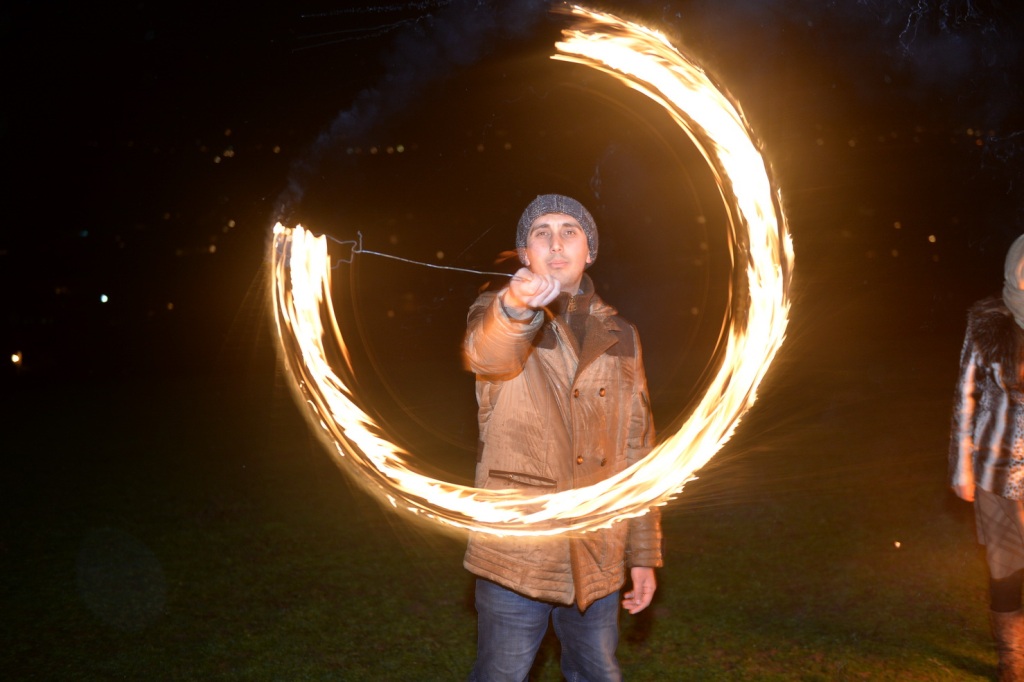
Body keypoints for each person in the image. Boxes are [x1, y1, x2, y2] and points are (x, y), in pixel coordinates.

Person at [462, 194, 663, 681]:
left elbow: (638, 450)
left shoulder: (622, 334)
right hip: (519, 551)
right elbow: (488, 355)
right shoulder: (497, 313)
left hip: (597, 549)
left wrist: (643, 553)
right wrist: (515, 306)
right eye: (541, 232)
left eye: (570, 231)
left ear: (589, 250)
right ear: (523, 252)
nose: (556, 242)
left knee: (599, 673)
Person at [950, 233, 1024, 681]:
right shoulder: (989, 321)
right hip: (998, 471)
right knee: (1006, 566)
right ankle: (1012, 660)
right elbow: (966, 393)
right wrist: (961, 466)